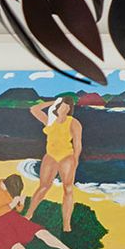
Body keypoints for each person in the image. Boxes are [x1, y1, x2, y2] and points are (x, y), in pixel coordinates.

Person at [0, 172, 83, 249]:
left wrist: (21, 202)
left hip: (11, 217)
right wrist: (12, 204)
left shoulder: (12, 188)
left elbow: (18, 210)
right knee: (18, 248)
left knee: (39, 231)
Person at [25, 95, 84, 232]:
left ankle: (66, 224)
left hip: (66, 157)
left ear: (69, 108)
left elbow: (77, 144)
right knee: (43, 186)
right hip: (50, 156)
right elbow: (34, 109)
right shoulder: (50, 121)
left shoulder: (74, 122)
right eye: (60, 105)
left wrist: (75, 160)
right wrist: (54, 101)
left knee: (68, 189)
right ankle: (29, 214)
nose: (61, 108)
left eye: (65, 106)